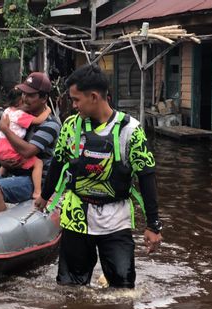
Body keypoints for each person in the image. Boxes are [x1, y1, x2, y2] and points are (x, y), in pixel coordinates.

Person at [34, 64, 163, 288]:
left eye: (76, 100)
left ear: (94, 96)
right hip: (76, 214)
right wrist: (45, 196)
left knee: (122, 289)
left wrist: (153, 225)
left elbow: (146, 176)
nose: (73, 106)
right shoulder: (71, 126)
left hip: (116, 219)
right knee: (70, 289)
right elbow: (58, 162)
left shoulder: (130, 130)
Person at [0, 72, 61, 215]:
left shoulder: (51, 124)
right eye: (23, 94)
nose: (25, 99)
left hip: (35, 180)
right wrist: (3, 161)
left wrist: (4, 128)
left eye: (31, 95)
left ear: (44, 98)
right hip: (13, 174)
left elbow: (28, 151)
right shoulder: (16, 115)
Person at [0, 89, 51, 199]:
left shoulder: (7, 111)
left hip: (0, 146)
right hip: (12, 148)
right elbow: (38, 120)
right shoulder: (20, 114)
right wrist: (47, 111)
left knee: (5, 164)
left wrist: (4, 128)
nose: (27, 101)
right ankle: (38, 192)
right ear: (20, 103)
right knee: (38, 163)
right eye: (25, 99)